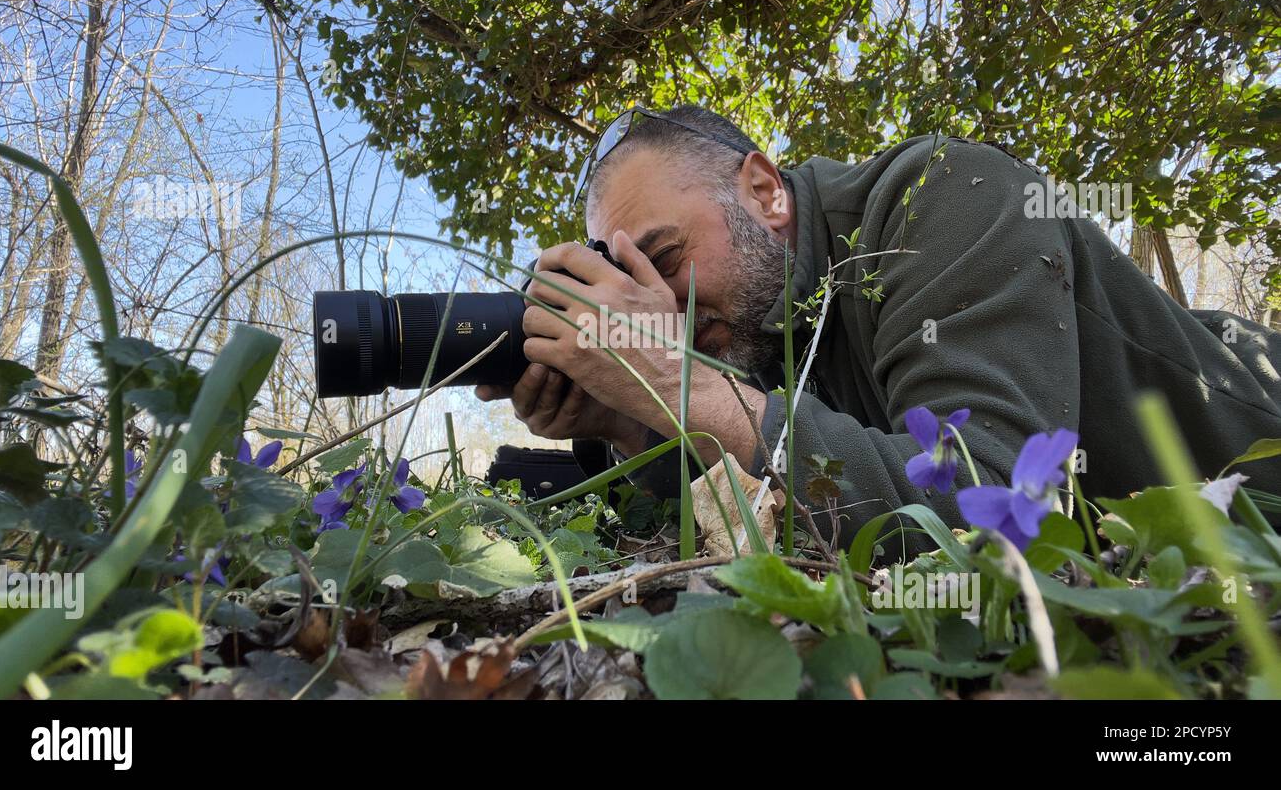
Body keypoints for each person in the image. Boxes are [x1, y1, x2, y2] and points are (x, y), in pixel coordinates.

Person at [475, 104, 1281, 551]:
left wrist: (687, 388)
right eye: (632, 283)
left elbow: (995, 502)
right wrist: (632, 420)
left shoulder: (947, 196)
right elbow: (772, 511)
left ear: (763, 190)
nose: (659, 305)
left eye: (666, 256)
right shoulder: (757, 325)